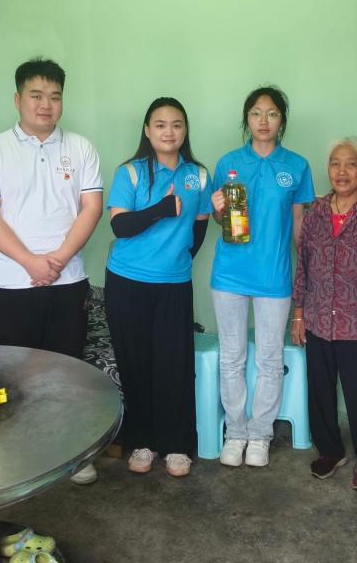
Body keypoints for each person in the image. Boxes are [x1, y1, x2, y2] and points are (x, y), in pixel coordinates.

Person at [0, 57, 103, 484]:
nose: (46, 104)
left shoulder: (80, 148)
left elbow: (91, 208)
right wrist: (30, 262)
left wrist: (59, 258)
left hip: (69, 280)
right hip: (12, 282)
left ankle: (73, 453)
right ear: (17, 99)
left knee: (69, 371)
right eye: (36, 95)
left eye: (54, 96)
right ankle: (19, 457)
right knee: (13, 373)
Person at [104, 97, 212, 478]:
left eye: (177, 124)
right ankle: (143, 442)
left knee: (174, 365)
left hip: (174, 284)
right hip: (126, 282)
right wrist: (161, 210)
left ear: (185, 131)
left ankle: (177, 445)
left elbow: (200, 227)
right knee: (136, 365)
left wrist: (175, 258)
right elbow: (120, 226)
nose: (169, 132)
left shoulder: (198, 176)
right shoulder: (130, 173)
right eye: (161, 125)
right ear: (147, 131)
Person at [211, 85, 315, 469]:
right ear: (247, 119)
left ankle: (260, 435)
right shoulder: (228, 163)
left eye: (271, 114)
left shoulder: (297, 166)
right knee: (232, 357)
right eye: (256, 113)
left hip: (274, 277)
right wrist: (217, 208)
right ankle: (235, 432)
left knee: (270, 359)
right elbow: (222, 220)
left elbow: (300, 227)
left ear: (281, 120)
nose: (263, 121)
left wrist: (309, 272)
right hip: (229, 275)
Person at [291, 136, 357, 491]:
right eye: (335, 163)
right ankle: (330, 450)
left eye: (351, 164)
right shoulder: (316, 212)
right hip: (318, 317)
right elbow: (303, 264)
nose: (342, 171)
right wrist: (299, 313)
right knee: (320, 389)